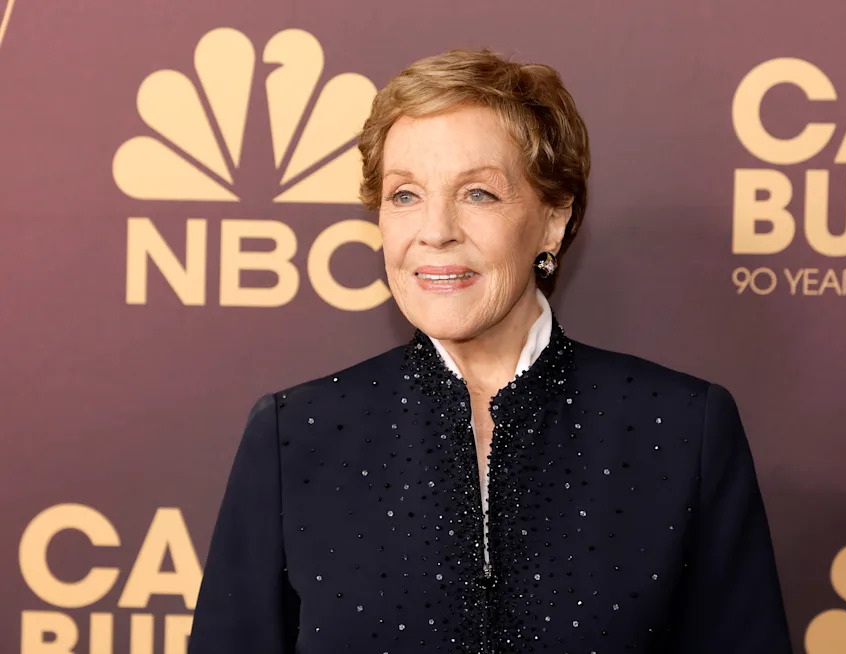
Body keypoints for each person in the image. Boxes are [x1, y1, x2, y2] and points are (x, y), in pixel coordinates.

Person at [187, 48, 792, 653]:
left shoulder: (683, 428)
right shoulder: (295, 435)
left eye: (477, 193)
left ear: (554, 219)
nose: (435, 230)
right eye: (405, 195)